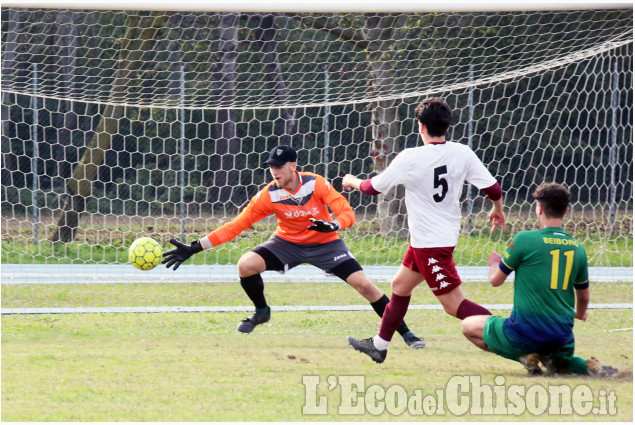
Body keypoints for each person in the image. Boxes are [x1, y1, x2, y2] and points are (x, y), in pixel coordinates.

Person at [162, 144, 426, 348]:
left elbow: (347, 212)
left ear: (293, 166)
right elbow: (237, 224)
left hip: (326, 244)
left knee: (365, 286)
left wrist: (333, 225)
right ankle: (262, 312)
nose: (274, 171)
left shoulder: (316, 184)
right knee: (246, 265)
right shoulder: (268, 194)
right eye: (270, 167)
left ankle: (406, 333)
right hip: (286, 243)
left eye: (279, 166)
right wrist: (196, 247)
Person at [344, 97, 505, 363]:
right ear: (447, 126)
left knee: (455, 306)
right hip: (430, 241)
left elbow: (373, 188)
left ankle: (513, 335)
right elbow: (493, 188)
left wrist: (352, 181)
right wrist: (497, 209)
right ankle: (379, 345)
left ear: (420, 126)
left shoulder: (410, 158)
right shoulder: (462, 152)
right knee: (399, 286)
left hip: (431, 246)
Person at [461, 183, 619, 377]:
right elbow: (584, 297)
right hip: (561, 337)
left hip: (524, 333)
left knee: (468, 326)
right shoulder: (578, 248)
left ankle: (526, 356)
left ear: (539, 208)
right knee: (559, 364)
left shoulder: (524, 239)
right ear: (566, 210)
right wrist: (579, 313)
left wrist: (495, 263)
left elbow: (495, 280)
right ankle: (589, 366)